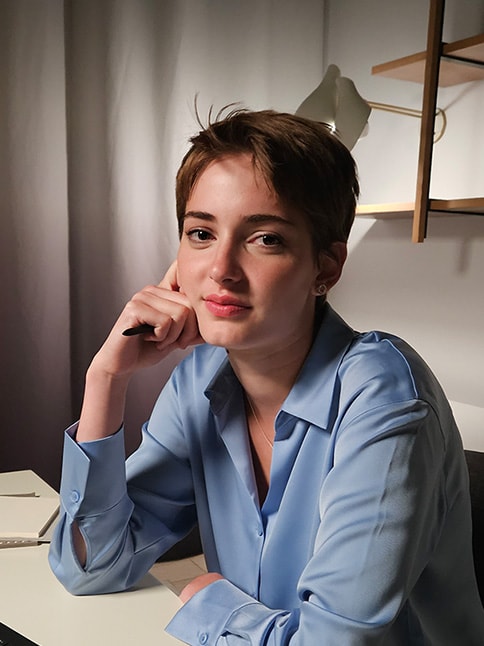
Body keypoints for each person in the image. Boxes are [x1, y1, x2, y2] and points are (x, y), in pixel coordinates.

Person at [49, 108, 484, 644]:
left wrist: (210, 604)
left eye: (266, 239)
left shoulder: (385, 397)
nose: (221, 269)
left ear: (326, 268)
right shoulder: (201, 380)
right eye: (201, 233)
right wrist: (106, 379)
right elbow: (92, 566)